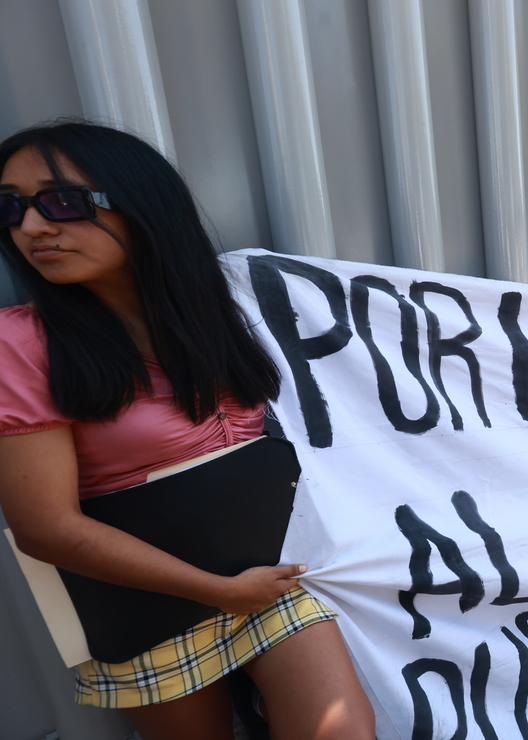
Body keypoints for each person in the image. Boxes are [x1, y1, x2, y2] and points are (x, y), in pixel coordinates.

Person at [0, 122, 374, 740]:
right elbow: (45, 529)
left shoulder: (230, 304)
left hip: (271, 580)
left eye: (62, 201)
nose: (32, 228)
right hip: (148, 607)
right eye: (10, 208)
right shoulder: (21, 344)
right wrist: (219, 590)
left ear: (141, 203)